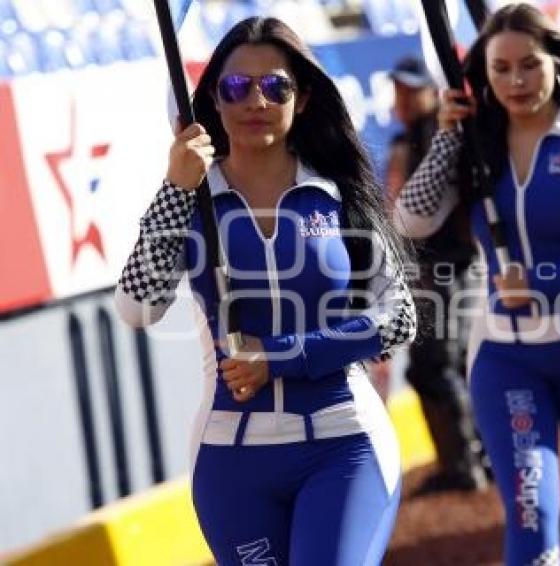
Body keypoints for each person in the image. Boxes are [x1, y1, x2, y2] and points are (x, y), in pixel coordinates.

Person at [114, 17, 416, 566]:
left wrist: (282, 358)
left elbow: (399, 319)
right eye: (236, 87)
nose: (256, 99)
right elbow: (137, 307)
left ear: (300, 100)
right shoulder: (189, 200)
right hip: (232, 461)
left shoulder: (339, 193)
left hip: (344, 444)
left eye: (275, 86)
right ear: (213, 100)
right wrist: (174, 187)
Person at [394, 4, 560, 564]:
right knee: (529, 513)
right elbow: (410, 220)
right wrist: (446, 136)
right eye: (501, 68)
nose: (516, 81)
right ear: (482, 74)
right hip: (507, 357)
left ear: (555, 62)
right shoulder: (474, 143)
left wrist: (544, 282)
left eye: (529, 65)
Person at [384, 55, 487, 494]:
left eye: (412, 89)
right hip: (440, 269)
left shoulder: (436, 135)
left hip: (445, 269)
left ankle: (464, 464)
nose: (403, 97)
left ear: (431, 91)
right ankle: (473, 458)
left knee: (437, 368)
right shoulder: (413, 137)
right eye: (399, 89)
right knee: (445, 367)